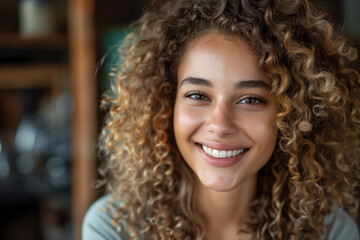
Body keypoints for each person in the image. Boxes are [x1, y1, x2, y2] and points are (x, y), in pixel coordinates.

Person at [82, 0, 360, 239]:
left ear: (292, 114)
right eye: (198, 96)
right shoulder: (114, 228)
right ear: (166, 104)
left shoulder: (329, 231)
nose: (220, 125)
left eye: (250, 100)